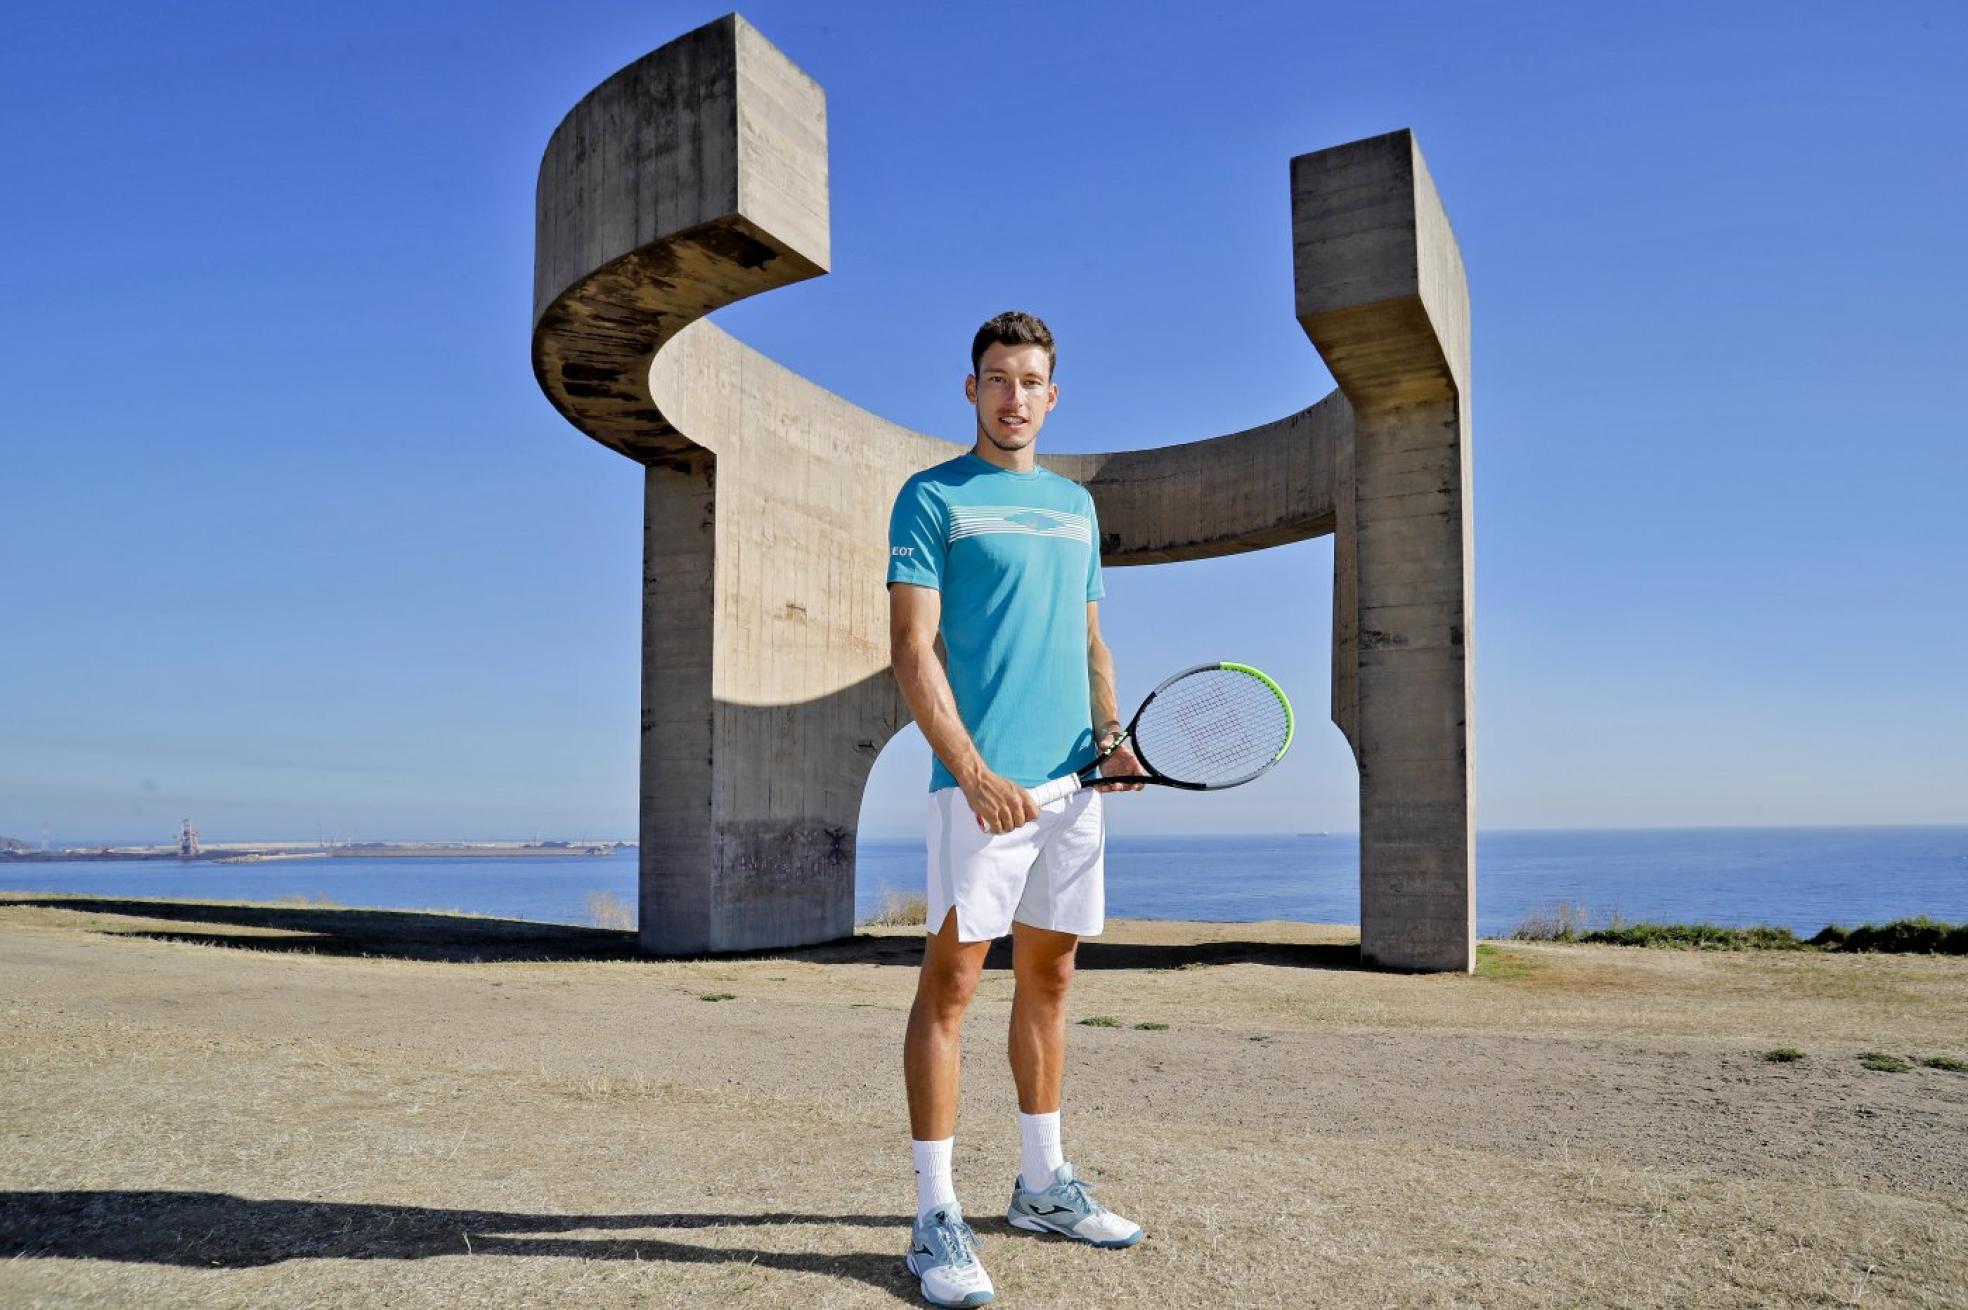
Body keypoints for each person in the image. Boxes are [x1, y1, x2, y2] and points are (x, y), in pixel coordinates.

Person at [886, 311, 1146, 1308]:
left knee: (1053, 977)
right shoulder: (932, 497)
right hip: (981, 794)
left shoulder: (1076, 510)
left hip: (1074, 791)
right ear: (971, 390)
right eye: (997, 377)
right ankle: (933, 1214)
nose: (1014, 395)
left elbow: (1090, 645)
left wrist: (1111, 733)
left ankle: (1042, 1184)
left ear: (1053, 394)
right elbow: (914, 652)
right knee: (948, 988)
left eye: (1031, 379)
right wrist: (973, 769)